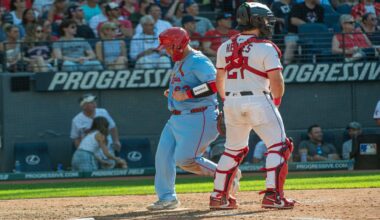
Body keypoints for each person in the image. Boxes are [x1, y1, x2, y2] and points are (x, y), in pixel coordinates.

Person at [210, 2, 296, 210]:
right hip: (259, 99)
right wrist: (275, 101)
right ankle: (273, 196)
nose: (268, 23)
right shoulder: (265, 47)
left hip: (231, 101)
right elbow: (277, 81)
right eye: (265, 19)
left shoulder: (224, 46)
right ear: (258, 20)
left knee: (232, 151)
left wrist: (226, 102)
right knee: (279, 146)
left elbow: (218, 79)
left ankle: (218, 197)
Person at [146, 27, 235, 211]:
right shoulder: (180, 60)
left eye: (169, 47)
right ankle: (167, 198)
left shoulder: (198, 60)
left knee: (185, 159)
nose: (167, 51)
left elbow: (214, 84)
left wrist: (187, 94)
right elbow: (183, 85)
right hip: (177, 118)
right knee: (162, 157)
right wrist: (172, 94)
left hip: (199, 116)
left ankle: (225, 175)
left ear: (179, 44)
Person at [70, 93, 122, 169]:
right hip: (91, 151)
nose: (94, 104)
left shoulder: (103, 112)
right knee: (91, 175)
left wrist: (116, 141)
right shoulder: (76, 120)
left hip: (106, 146)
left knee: (109, 172)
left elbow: (113, 127)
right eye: (91, 103)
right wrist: (83, 151)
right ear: (84, 106)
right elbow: (76, 138)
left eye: (94, 101)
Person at [284, 0, 324, 64]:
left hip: (313, 35)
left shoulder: (320, 9)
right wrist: (308, 27)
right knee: (291, 45)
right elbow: (294, 20)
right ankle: (285, 65)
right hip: (295, 34)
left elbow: (320, 25)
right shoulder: (297, 7)